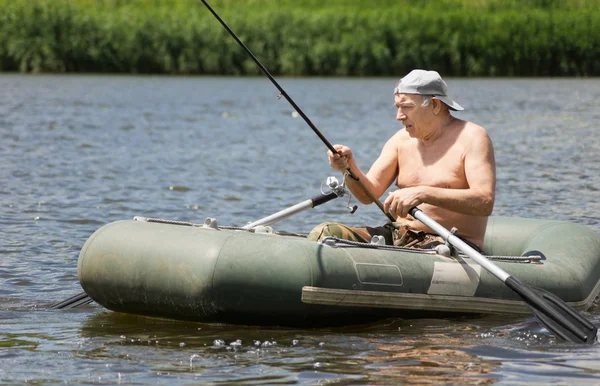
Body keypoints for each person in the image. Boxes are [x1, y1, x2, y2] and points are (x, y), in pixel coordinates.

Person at [307, 69, 496, 251]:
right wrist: (347, 167)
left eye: (406, 107)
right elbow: (368, 194)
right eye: (398, 107)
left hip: (450, 245)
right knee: (325, 233)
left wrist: (422, 193)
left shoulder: (473, 137)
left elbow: (484, 201)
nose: (399, 116)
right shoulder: (400, 140)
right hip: (399, 235)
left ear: (435, 105)